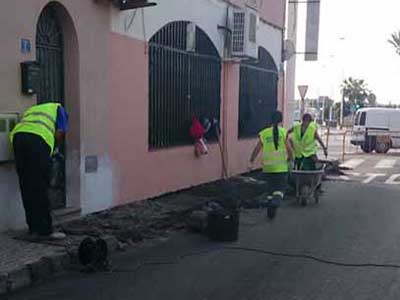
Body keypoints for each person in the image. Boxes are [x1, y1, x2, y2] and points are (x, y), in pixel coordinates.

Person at [10, 102, 68, 240]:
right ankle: (46, 230)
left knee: (27, 185)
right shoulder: (60, 109)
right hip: (38, 140)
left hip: (18, 138)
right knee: (40, 186)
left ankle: (33, 229)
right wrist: (55, 150)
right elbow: (60, 132)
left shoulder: (33, 109)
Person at [249, 111, 293, 218]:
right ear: (280, 120)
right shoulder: (283, 132)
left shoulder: (264, 133)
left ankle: (270, 210)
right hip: (281, 168)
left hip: (267, 168)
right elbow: (289, 149)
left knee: (270, 190)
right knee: (280, 190)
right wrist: (291, 159)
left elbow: (257, 148)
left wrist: (251, 160)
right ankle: (275, 202)